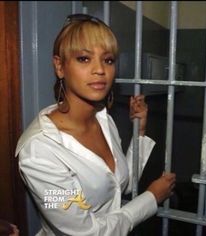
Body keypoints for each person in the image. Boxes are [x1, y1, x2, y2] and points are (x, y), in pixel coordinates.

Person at [15, 13, 176, 236]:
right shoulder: (39, 150)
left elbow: (118, 186)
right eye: (84, 58)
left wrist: (139, 131)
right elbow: (86, 233)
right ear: (60, 66)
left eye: (108, 60)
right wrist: (151, 198)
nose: (100, 70)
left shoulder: (103, 119)